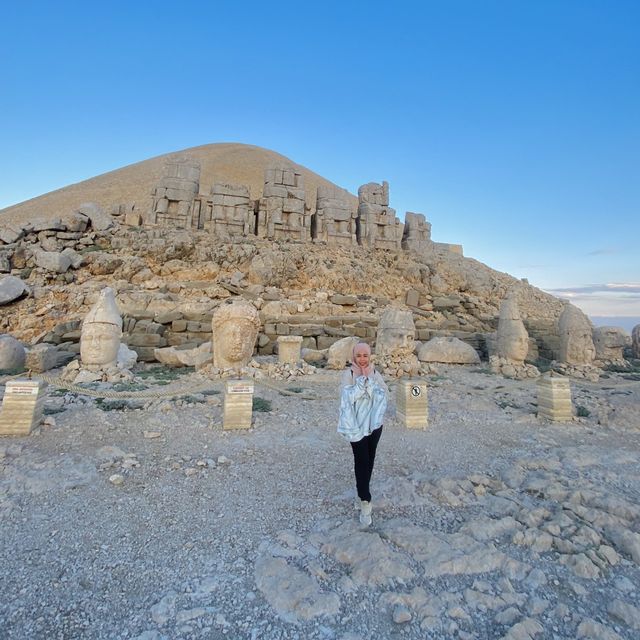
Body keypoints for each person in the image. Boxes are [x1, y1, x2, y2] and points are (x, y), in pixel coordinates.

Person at [338, 342, 388, 526]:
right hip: (355, 427)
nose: (362, 359)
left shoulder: (375, 374)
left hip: (374, 426)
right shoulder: (349, 375)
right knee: (361, 461)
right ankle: (365, 500)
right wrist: (362, 385)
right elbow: (346, 398)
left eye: (365, 355)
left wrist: (371, 386)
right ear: (353, 357)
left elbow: (384, 394)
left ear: (369, 356)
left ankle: (362, 492)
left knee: (370, 460)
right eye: (358, 355)